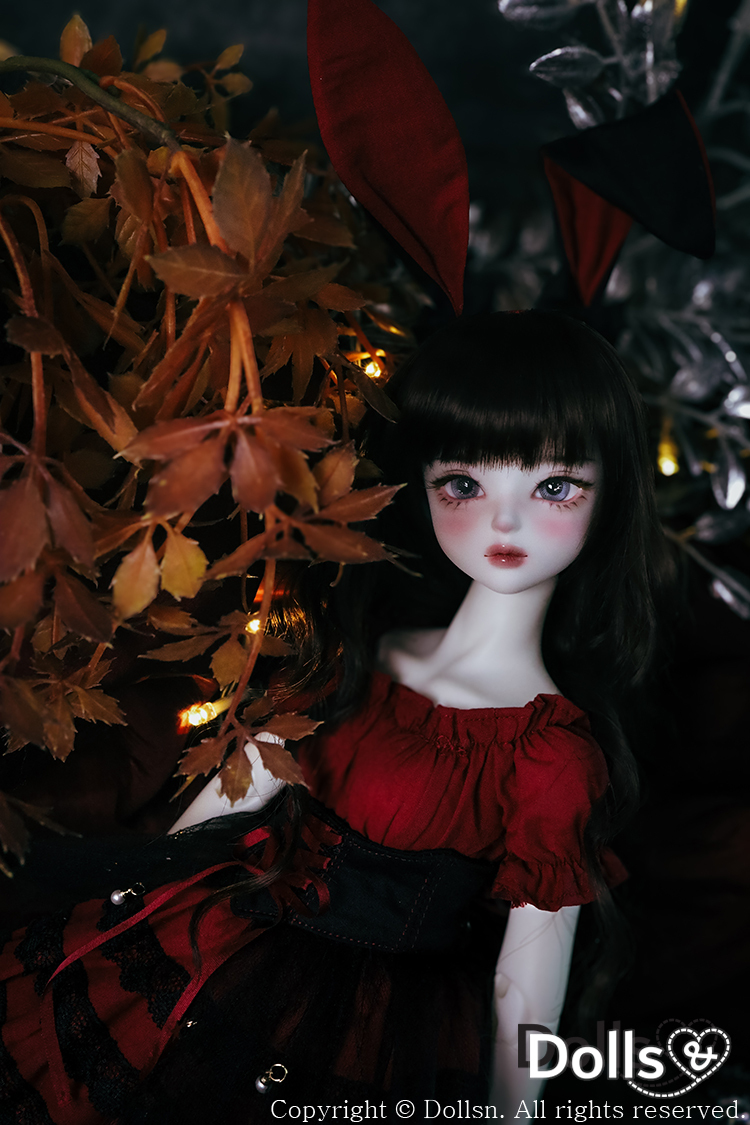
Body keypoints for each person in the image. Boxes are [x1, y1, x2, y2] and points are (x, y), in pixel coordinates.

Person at [0, 310, 670, 1124]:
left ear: (609, 493)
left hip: (369, 1028)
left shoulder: (550, 754)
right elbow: (239, 789)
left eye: (554, 486)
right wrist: (134, 903)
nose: (505, 521)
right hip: (228, 936)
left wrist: (510, 1113)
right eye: (464, 484)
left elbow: (523, 985)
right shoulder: (365, 650)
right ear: (423, 484)